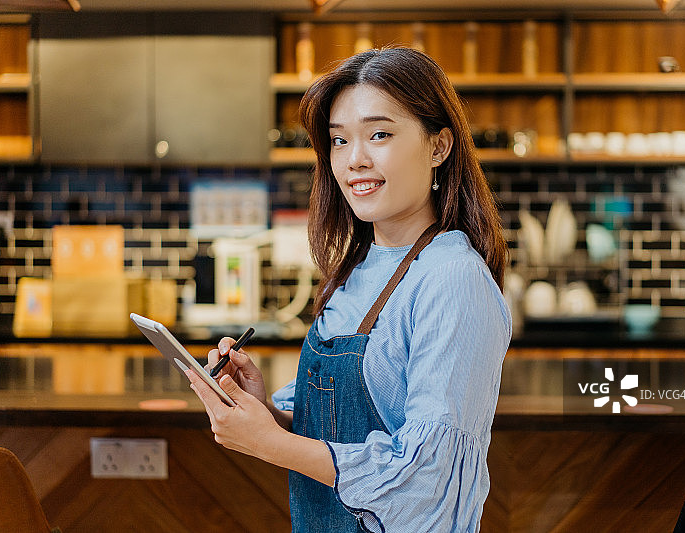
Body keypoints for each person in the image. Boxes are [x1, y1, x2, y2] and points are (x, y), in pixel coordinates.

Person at [187, 46, 511, 532]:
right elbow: (335, 441)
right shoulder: (354, 268)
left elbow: (427, 482)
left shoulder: (452, 279)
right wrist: (268, 414)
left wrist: (269, 444)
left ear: (439, 146)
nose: (354, 160)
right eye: (339, 141)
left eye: (379, 135)